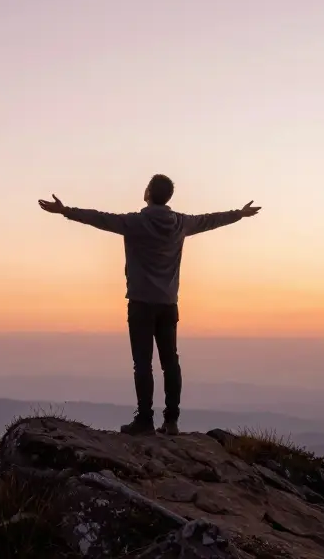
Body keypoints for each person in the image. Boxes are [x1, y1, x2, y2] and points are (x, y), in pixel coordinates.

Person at [38, 174, 261, 436]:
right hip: (168, 304)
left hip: (141, 303)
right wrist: (240, 214)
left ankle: (145, 420)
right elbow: (210, 220)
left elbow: (99, 218)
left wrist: (65, 211)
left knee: (143, 363)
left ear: (149, 193)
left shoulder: (135, 222)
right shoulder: (181, 223)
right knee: (171, 362)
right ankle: (172, 421)